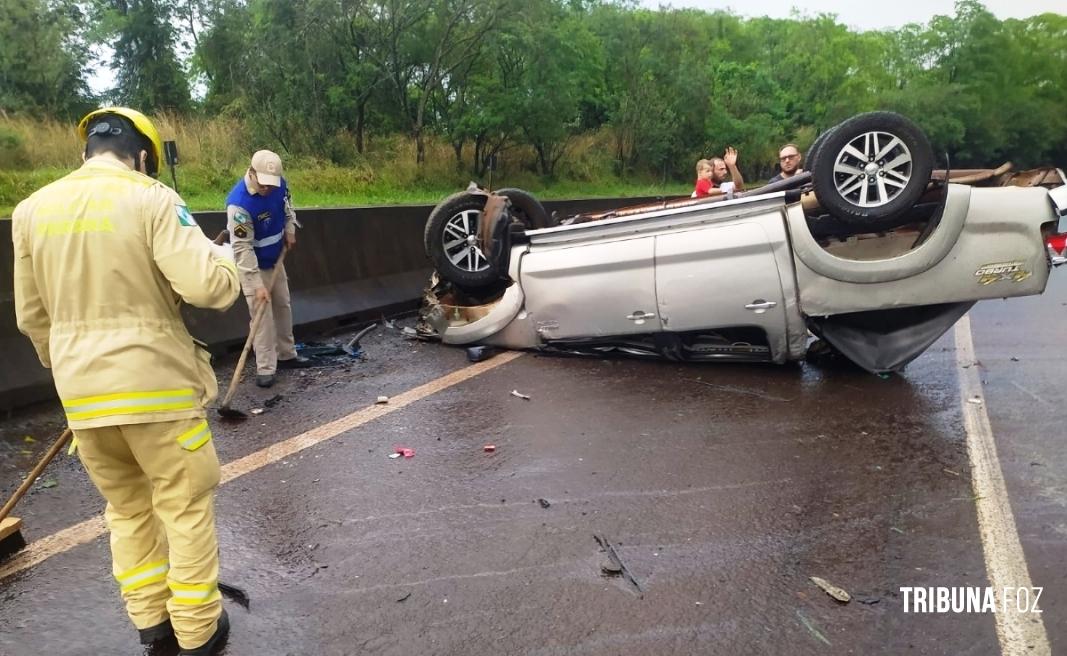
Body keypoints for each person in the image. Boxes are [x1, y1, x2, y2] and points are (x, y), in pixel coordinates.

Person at [13, 108, 240, 655]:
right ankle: (198, 631)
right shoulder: (152, 198)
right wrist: (223, 257)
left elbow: (31, 317)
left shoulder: (30, 211)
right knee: (182, 507)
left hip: (84, 398)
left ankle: (152, 625)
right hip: (158, 389)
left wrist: (74, 373)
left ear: (87, 149)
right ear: (142, 156)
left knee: (127, 511)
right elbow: (209, 288)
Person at [225, 150, 309, 388]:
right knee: (263, 317)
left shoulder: (279, 184)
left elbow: (287, 206)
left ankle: (286, 355)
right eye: (263, 185)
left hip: (275, 259)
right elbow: (242, 248)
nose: (268, 189)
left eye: (271, 185)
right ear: (251, 172)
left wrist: (290, 229)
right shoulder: (239, 205)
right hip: (253, 265)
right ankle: (265, 367)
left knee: (283, 305)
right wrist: (256, 284)